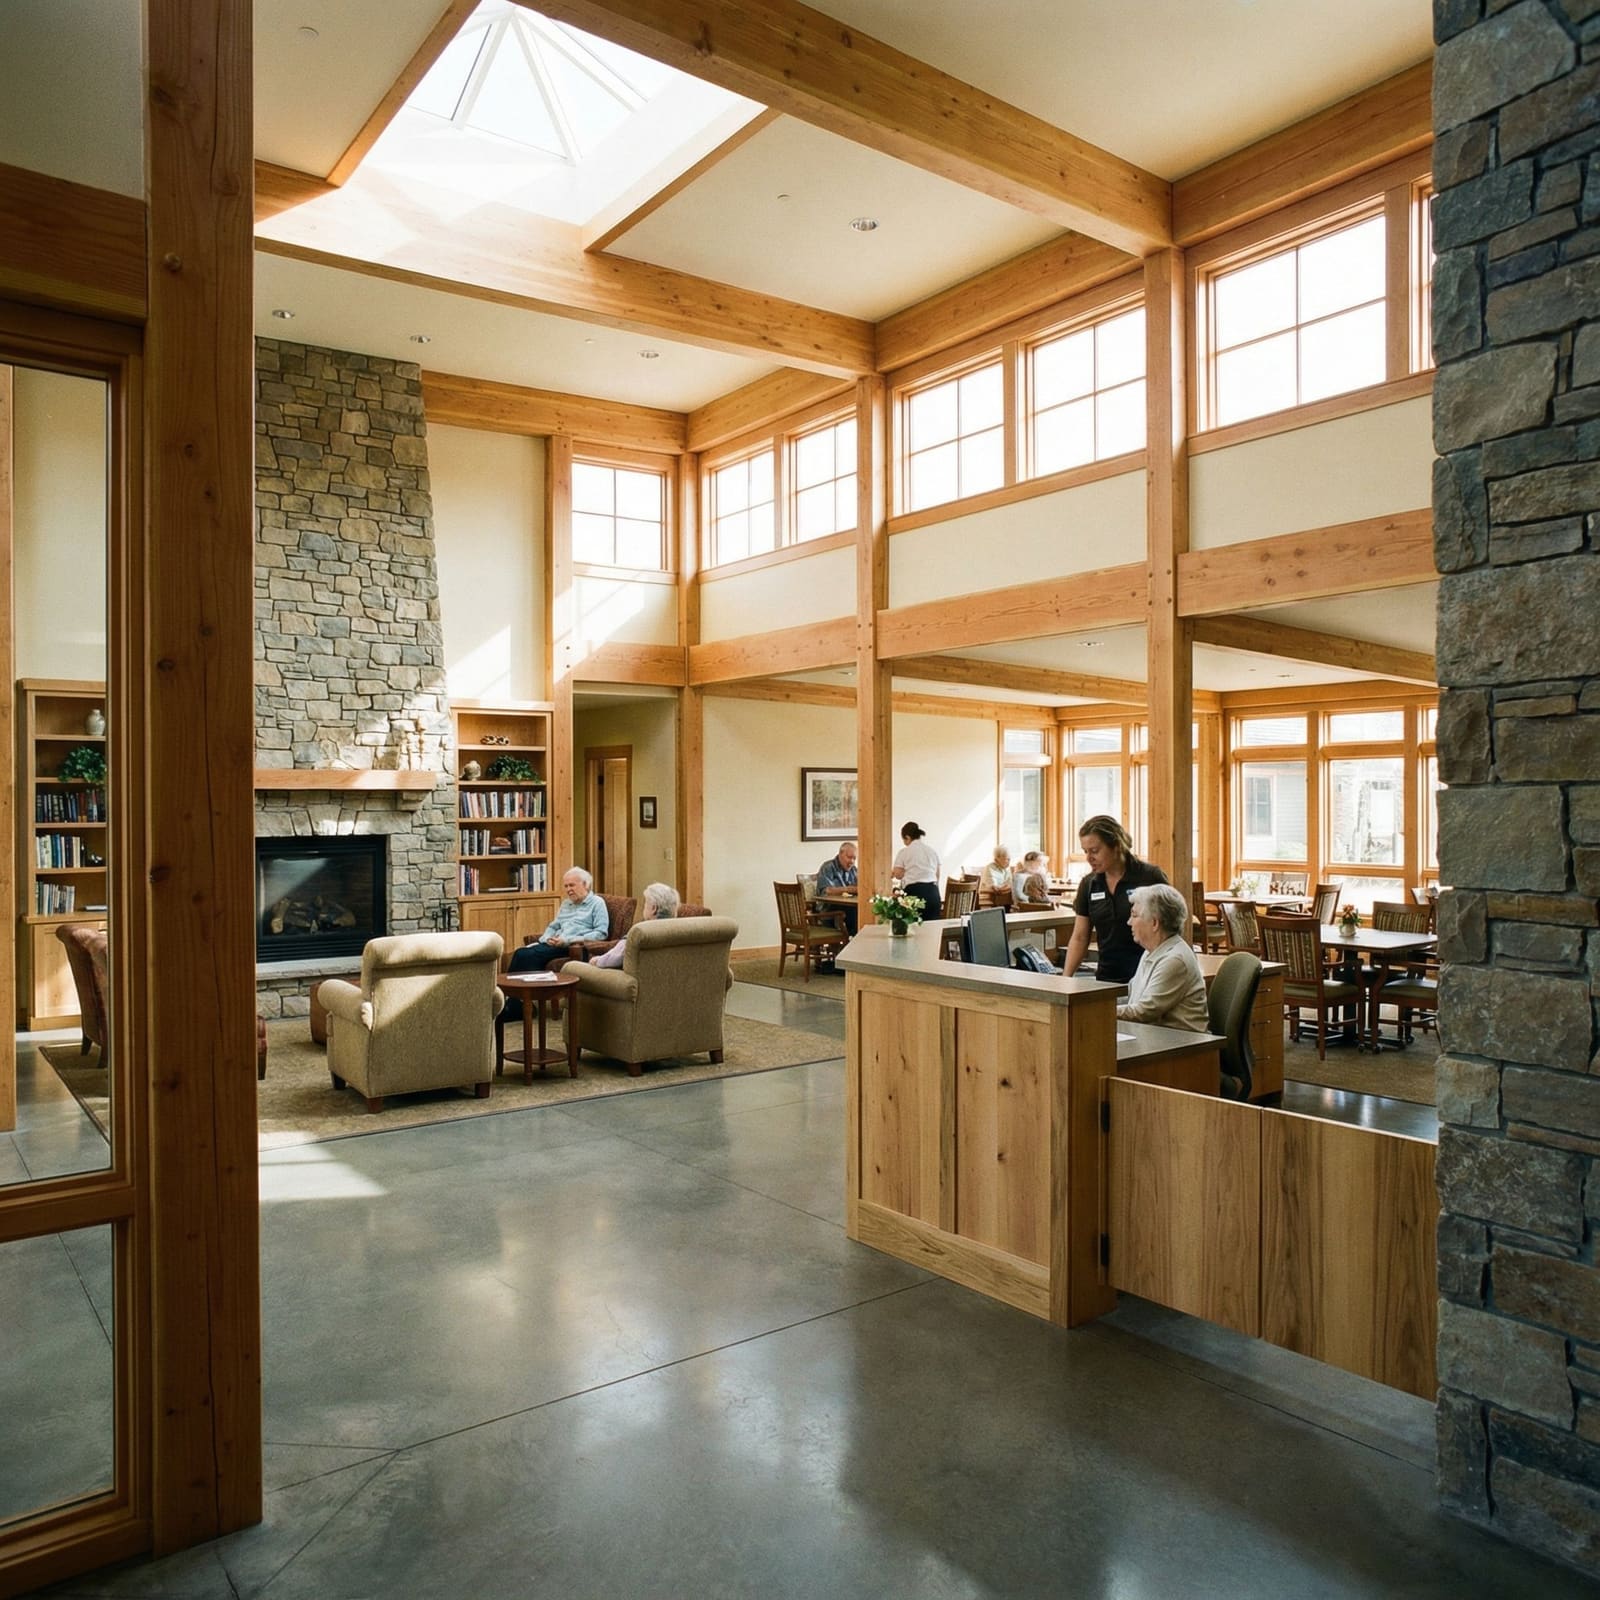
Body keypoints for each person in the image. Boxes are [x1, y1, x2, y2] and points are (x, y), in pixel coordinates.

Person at [1061, 815, 1169, 984]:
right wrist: (1065, 980)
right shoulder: (1089, 884)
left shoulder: (1149, 877)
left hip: (1148, 978)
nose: (1089, 857)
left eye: (1095, 851)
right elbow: (1080, 936)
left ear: (1116, 846)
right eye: (1085, 851)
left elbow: (1169, 929)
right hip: (1106, 978)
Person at [1116, 883, 1209, 1032]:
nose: (1129, 922)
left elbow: (1144, 1011)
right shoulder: (1150, 951)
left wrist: (1103, 1012)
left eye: (1134, 915)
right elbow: (1133, 997)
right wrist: (1102, 1004)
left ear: (1154, 923)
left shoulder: (1175, 959)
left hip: (1181, 1046)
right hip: (1155, 1037)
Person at [508, 866, 610, 973]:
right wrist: (547, 938)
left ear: (586, 884)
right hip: (554, 944)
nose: (568, 890)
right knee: (520, 952)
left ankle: (517, 988)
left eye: (572, 885)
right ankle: (513, 987)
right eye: (566, 886)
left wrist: (568, 940)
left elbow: (601, 934)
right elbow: (554, 926)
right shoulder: (566, 903)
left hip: (572, 947)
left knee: (525, 955)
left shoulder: (597, 903)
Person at [589, 882, 679, 968]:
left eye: (645, 903)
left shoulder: (641, 932)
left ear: (653, 908)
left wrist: (597, 961)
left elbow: (615, 958)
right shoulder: (680, 930)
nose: (644, 907)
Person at [890, 820, 942, 920]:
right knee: (931, 929)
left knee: (913, 928)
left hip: (914, 893)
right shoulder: (931, 851)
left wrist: (907, 871)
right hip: (933, 894)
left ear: (907, 837)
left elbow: (898, 874)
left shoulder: (904, 852)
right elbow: (937, 875)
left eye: (904, 840)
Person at [815, 841, 859, 937]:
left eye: (854, 858)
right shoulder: (828, 867)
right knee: (855, 913)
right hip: (828, 909)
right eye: (849, 857)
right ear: (840, 854)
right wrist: (849, 889)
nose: (851, 861)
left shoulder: (854, 870)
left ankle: (854, 943)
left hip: (848, 907)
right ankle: (850, 944)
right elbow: (828, 891)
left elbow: (860, 887)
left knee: (863, 911)